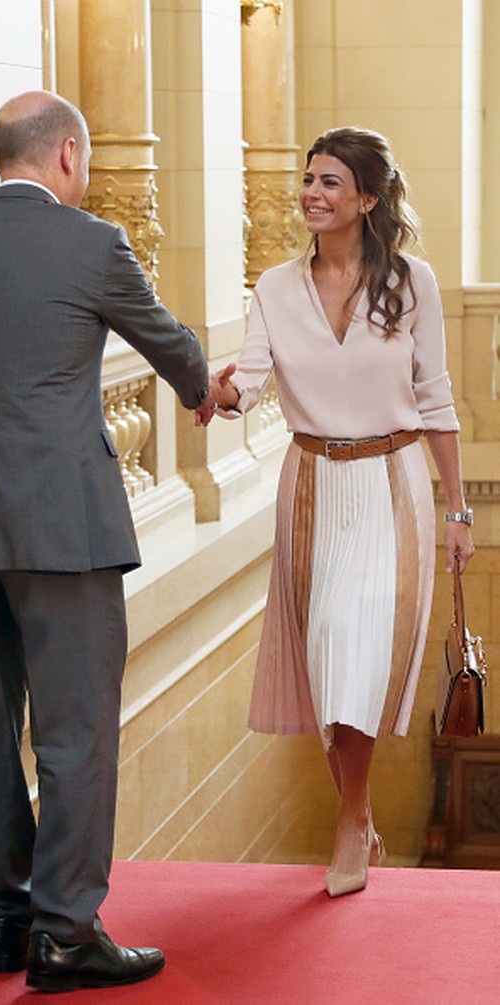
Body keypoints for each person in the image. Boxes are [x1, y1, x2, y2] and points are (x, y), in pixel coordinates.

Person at [0, 91, 216, 992]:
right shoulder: (92, 241)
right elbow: (170, 346)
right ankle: (67, 932)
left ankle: (8, 913)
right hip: (65, 520)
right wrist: (202, 387)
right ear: (67, 154)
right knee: (75, 732)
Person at [197, 127, 474, 897]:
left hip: (392, 482)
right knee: (326, 652)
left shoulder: (411, 283)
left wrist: (459, 511)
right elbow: (246, 386)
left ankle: (351, 817)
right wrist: (213, 390)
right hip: (312, 481)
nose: (312, 193)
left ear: (368, 198)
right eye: (308, 179)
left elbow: (437, 398)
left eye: (330, 182)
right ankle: (359, 811)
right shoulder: (273, 289)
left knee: (359, 650)